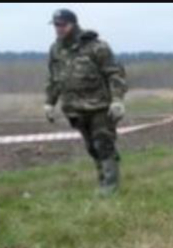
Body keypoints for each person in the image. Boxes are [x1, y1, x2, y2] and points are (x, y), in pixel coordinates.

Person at [44, 8, 128, 195]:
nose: (58, 29)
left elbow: (114, 74)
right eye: (56, 25)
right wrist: (50, 102)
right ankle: (103, 181)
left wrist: (117, 100)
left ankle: (110, 188)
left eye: (62, 25)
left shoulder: (97, 47)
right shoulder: (56, 49)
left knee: (103, 144)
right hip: (74, 109)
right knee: (92, 148)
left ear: (73, 24)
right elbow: (54, 79)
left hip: (100, 107)